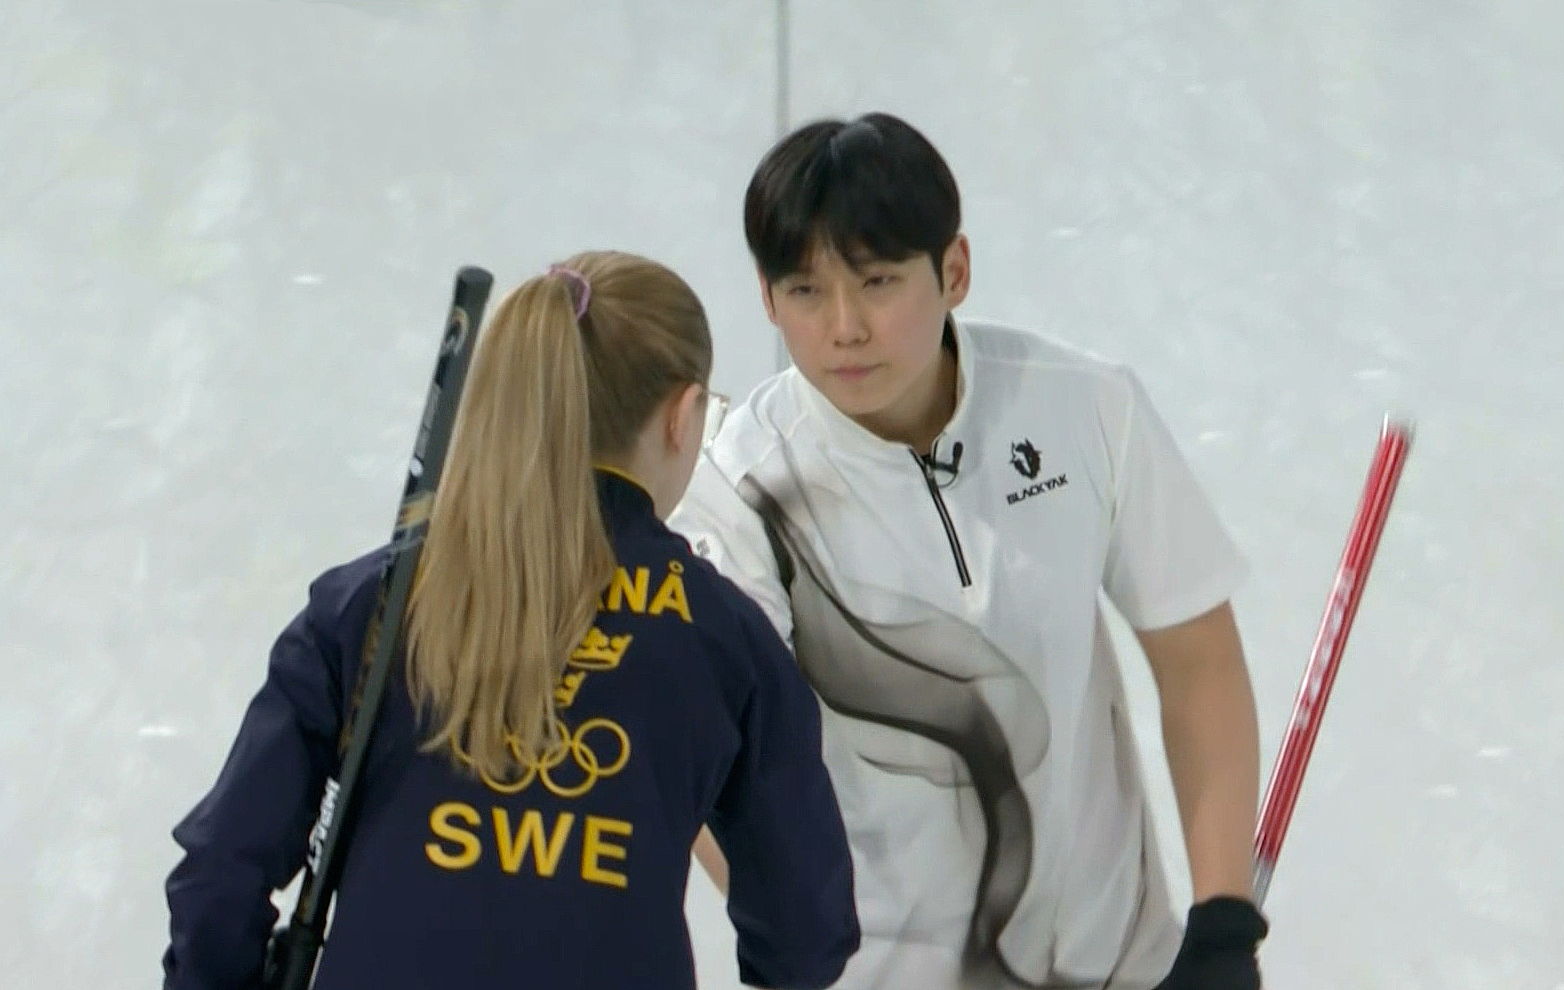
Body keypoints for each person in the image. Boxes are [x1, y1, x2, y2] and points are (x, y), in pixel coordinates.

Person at [672, 114, 1270, 990]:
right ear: (766, 300)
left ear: (954, 270)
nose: (844, 328)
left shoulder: (1086, 407)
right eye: (804, 292)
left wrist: (1222, 922)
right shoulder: (736, 494)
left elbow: (1197, 663)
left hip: (1114, 969)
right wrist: (798, 936)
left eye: (877, 283)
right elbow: (706, 760)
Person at [161, 250, 861, 990]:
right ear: (683, 416)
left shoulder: (374, 602)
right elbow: (805, 935)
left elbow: (218, 876)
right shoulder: (725, 638)